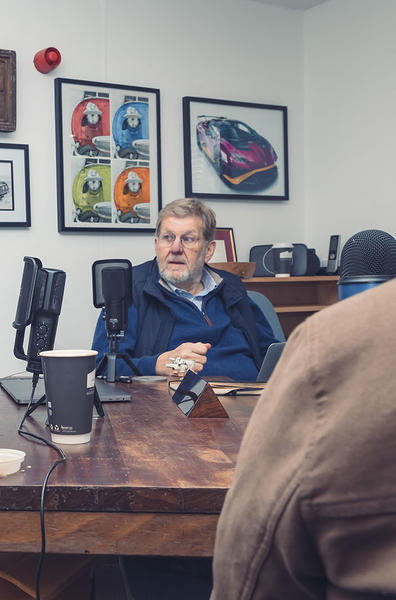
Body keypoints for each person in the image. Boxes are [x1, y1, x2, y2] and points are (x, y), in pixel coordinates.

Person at [212, 278, 396, 598]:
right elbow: (116, 361)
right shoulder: (137, 294)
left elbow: (253, 559)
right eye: (167, 245)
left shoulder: (239, 297)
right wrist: (154, 363)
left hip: (249, 407)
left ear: (207, 252)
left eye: (189, 245)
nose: (176, 252)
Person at [91, 197, 276, 380]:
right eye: (168, 238)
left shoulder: (230, 287)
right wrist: (156, 365)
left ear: (209, 250)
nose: (176, 248)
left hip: (251, 394)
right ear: (156, 245)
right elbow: (102, 367)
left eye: (188, 239)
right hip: (177, 397)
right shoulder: (129, 288)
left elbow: (272, 354)